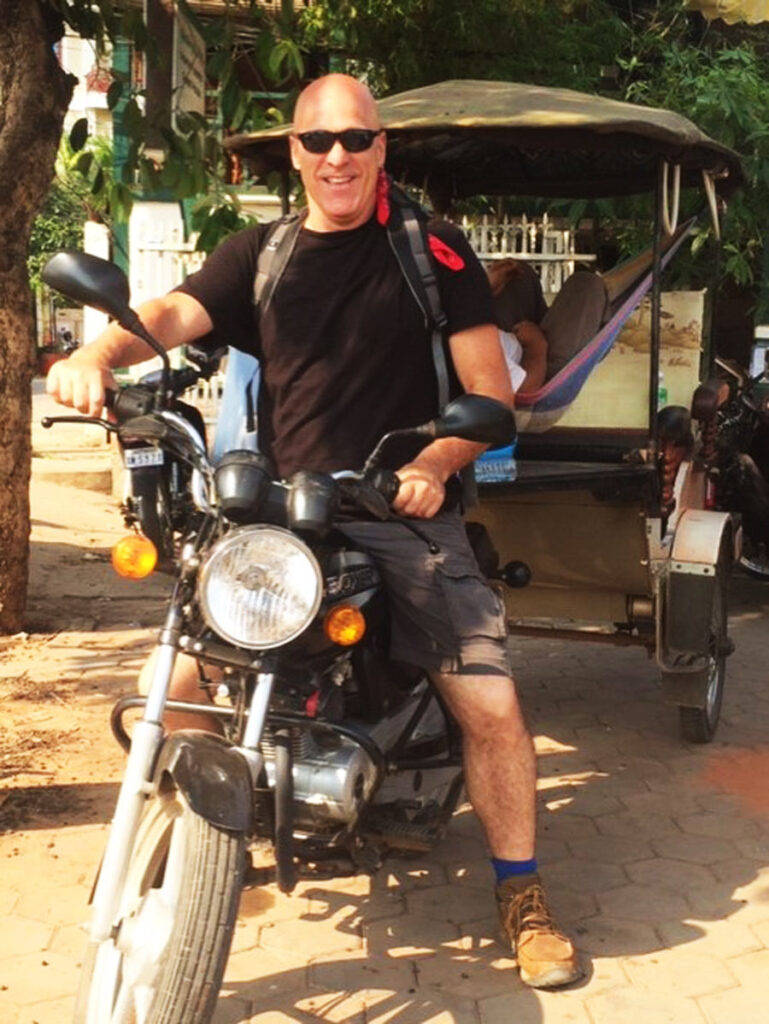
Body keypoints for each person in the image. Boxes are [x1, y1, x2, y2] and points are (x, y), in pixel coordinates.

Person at [47, 73, 582, 990]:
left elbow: (489, 391)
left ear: (382, 149)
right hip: (282, 513)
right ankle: (172, 847)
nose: (337, 155)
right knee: (167, 686)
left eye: (355, 140)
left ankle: (520, 891)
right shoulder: (261, 252)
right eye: (317, 140)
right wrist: (98, 352)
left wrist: (432, 465)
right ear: (293, 152)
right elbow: (172, 313)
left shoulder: (432, 253)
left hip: (398, 513)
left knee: (489, 705)